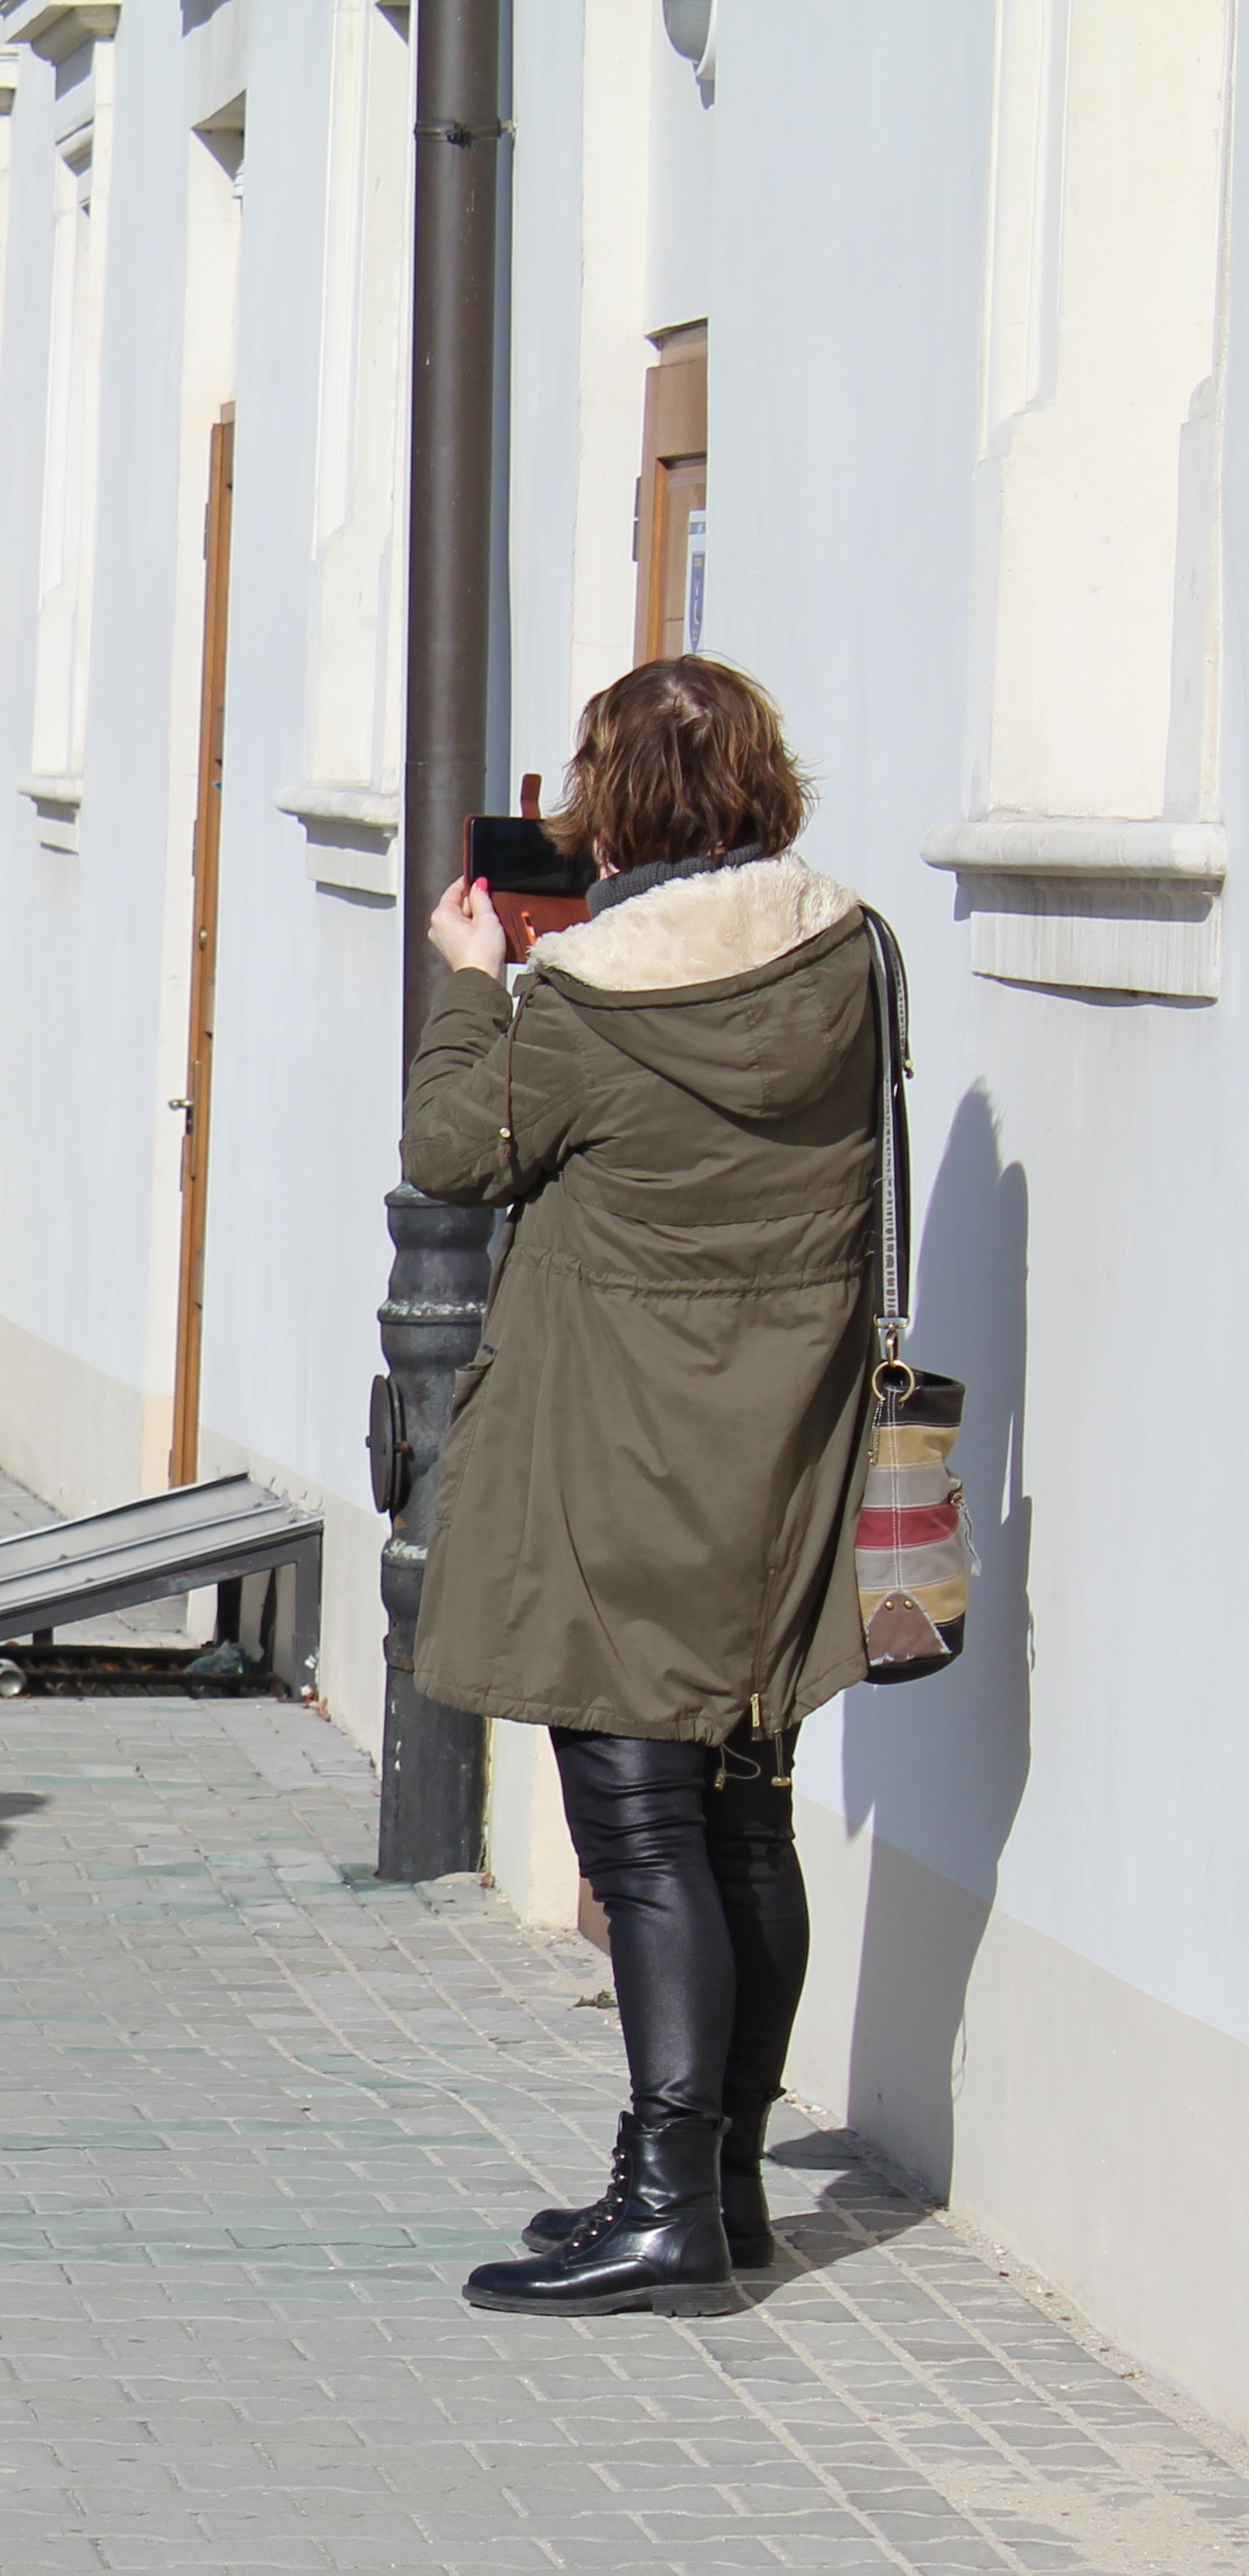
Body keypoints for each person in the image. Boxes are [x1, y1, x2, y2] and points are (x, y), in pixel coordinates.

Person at [410, 657, 881, 2320]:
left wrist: (477, 978)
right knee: (740, 1804)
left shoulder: (591, 1005)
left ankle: (663, 2200)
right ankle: (725, 2181)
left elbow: (452, 1151)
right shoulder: (849, 956)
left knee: (637, 1824)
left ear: (605, 802)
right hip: (781, 1444)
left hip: (609, 1449)